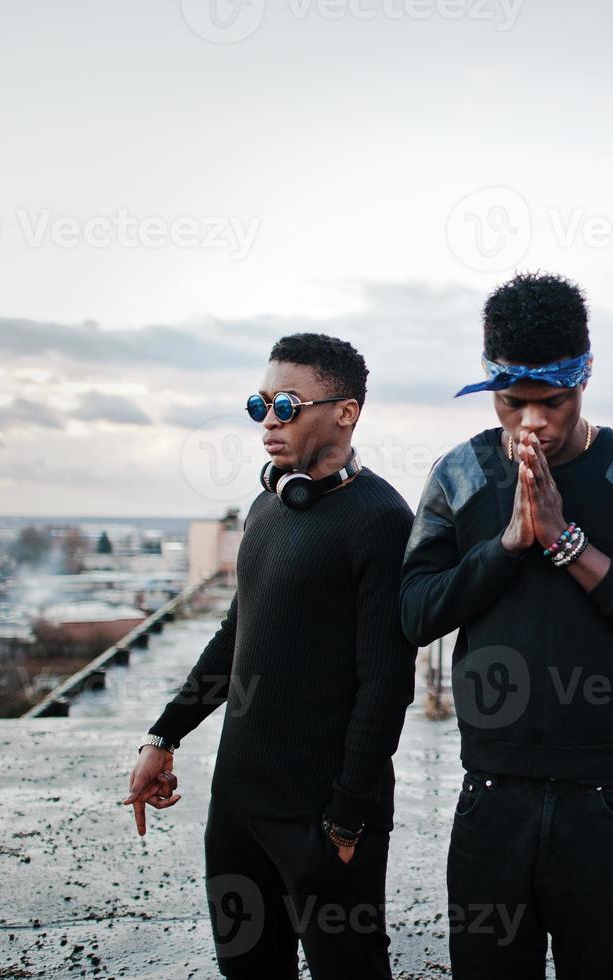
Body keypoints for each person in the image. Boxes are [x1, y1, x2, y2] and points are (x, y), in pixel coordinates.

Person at [400, 271, 613, 979]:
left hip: (609, 803)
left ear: (587, 377)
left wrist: (570, 545)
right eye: (514, 404)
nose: (532, 423)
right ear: (490, 388)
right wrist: (507, 546)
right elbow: (415, 614)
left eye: (553, 402)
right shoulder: (460, 474)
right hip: (490, 798)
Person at [121, 333, 416, 979]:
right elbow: (237, 637)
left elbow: (386, 683)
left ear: (345, 411)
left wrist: (346, 818)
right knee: (246, 968)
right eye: (258, 406)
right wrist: (163, 736)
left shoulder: (381, 520)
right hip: (237, 806)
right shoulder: (268, 505)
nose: (267, 423)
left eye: (285, 404)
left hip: (325, 815)